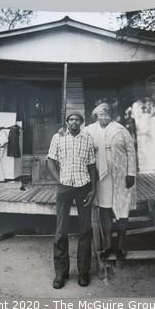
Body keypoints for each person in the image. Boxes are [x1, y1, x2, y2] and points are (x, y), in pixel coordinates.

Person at [47, 111, 96, 289]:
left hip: (84, 186)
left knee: (85, 229)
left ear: (81, 122)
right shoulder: (58, 137)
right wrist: (58, 180)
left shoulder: (88, 139)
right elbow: (50, 161)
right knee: (61, 230)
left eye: (78, 119)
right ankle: (61, 274)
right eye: (71, 119)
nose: (74, 122)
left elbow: (92, 165)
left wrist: (93, 189)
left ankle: (83, 272)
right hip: (65, 187)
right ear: (67, 122)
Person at [84, 102, 136, 261]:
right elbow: (75, 138)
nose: (104, 117)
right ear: (96, 115)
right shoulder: (89, 130)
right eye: (101, 114)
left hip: (120, 176)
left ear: (111, 116)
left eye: (107, 114)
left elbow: (131, 151)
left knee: (122, 210)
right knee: (104, 209)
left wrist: (131, 173)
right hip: (101, 177)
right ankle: (107, 246)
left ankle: (120, 247)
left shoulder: (121, 130)